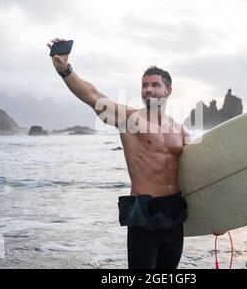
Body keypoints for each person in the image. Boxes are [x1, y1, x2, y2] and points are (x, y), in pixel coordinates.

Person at [47, 38, 192, 269]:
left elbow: (197, 174)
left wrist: (215, 217)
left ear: (169, 90)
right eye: (144, 85)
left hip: (174, 214)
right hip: (143, 213)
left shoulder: (181, 130)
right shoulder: (129, 120)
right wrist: (65, 69)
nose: (148, 90)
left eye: (154, 85)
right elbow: (92, 96)